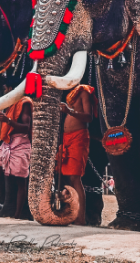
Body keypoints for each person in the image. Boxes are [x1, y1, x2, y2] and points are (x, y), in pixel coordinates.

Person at [57, 84, 94, 225]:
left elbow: (88, 117)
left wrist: (69, 111)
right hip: (66, 138)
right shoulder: (70, 94)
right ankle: (70, 212)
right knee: (66, 177)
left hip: (79, 137)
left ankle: (80, 218)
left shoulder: (84, 91)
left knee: (75, 177)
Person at [0, 93, 33, 220]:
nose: (4, 90)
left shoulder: (24, 103)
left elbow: (26, 127)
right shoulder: (8, 104)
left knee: (20, 181)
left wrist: (8, 121)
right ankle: (5, 208)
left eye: (6, 87)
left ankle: (18, 214)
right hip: (7, 143)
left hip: (20, 144)